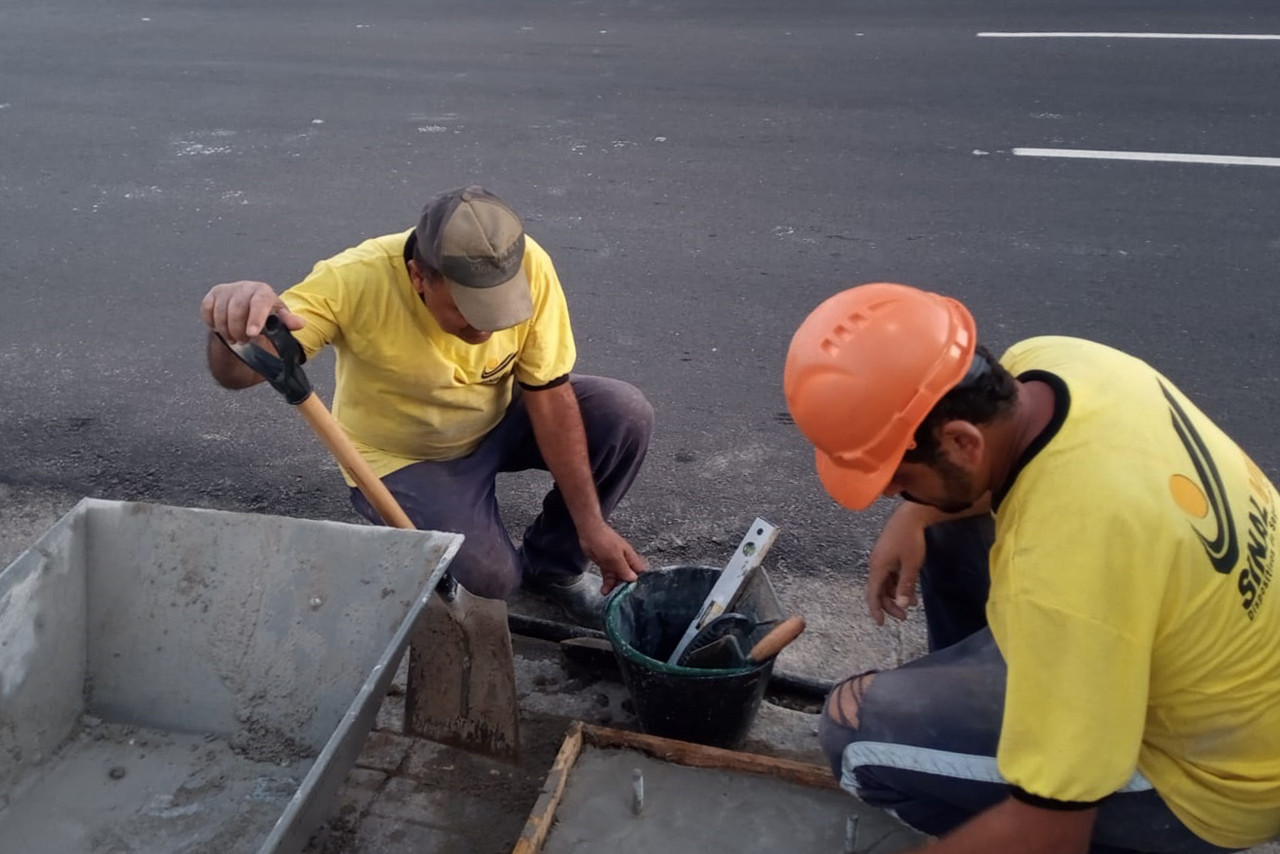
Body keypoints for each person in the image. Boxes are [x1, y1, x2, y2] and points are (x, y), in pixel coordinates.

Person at [783, 282, 1280, 853]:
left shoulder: (1059, 569)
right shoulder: (1058, 363)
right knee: (945, 516)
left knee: (854, 735)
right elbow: (986, 488)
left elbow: (1051, 833)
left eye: (896, 476)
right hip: (1222, 670)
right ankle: (1027, 726)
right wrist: (915, 517)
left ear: (961, 439)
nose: (888, 493)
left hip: (1216, 783)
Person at [200, 185, 653, 628]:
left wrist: (589, 526)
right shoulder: (353, 279)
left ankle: (554, 568)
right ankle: (419, 537)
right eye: (470, 311)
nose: (487, 330)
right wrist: (233, 331)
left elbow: (550, 396)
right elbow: (240, 372)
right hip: (406, 456)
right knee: (489, 582)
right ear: (420, 277)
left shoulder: (525, 260)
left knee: (623, 413)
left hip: (496, 417)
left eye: (499, 311)